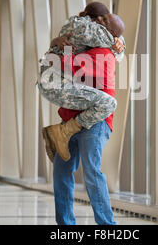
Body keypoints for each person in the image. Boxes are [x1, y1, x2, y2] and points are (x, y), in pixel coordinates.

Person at [37, 2, 125, 163]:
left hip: (55, 80)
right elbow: (112, 42)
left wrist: (54, 42)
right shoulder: (85, 28)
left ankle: (62, 132)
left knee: (64, 166)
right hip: (54, 81)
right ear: (95, 19)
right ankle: (62, 131)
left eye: (105, 21)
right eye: (102, 20)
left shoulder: (81, 30)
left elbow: (114, 45)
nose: (101, 22)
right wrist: (120, 41)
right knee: (109, 103)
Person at [53, 45, 118, 225]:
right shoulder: (79, 48)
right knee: (61, 172)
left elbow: (66, 71)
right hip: (69, 123)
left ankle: (107, 226)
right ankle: (65, 226)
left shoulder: (102, 52)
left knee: (91, 171)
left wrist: (63, 49)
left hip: (95, 123)